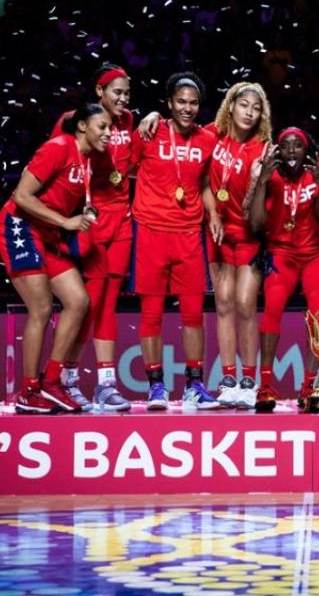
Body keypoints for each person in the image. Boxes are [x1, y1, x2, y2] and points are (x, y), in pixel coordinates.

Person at [0, 103, 111, 414]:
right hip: (18, 227)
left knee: (78, 301)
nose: (108, 134)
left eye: (110, 128)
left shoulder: (88, 160)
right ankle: (29, 391)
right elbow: (22, 196)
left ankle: (52, 381)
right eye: (102, 127)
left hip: (46, 235)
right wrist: (65, 222)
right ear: (82, 126)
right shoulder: (57, 147)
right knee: (42, 307)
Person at [129, 72, 220, 411]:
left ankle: (195, 385)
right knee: (151, 313)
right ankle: (156, 386)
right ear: (169, 103)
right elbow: (128, 169)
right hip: (151, 232)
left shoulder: (207, 140)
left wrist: (214, 215)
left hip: (189, 234)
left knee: (194, 313)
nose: (187, 108)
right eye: (181, 101)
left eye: (193, 103)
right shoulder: (149, 132)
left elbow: (205, 183)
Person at [51, 63, 133, 412]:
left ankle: (106, 385)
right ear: (99, 91)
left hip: (123, 222)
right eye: (117, 92)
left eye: (127, 93)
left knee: (109, 303)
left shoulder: (130, 121)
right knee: (89, 303)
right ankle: (67, 380)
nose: (123, 99)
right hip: (93, 221)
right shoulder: (75, 120)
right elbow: (58, 159)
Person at [248, 127, 319, 412]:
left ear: (306, 150)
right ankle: (265, 385)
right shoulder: (270, 177)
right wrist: (261, 182)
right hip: (281, 254)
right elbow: (256, 225)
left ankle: (310, 385)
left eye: (298, 145)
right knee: (272, 307)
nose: (292, 150)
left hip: (316, 255)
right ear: (278, 152)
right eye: (286, 146)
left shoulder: (314, 176)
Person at [208, 82, 273, 409]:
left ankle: (249, 380)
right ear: (231, 106)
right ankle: (228, 379)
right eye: (244, 105)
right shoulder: (212, 136)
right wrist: (151, 116)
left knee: (246, 304)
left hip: (249, 235)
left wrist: (257, 182)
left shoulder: (262, 150)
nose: (249, 112)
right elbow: (202, 182)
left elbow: (257, 210)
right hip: (218, 232)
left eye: (256, 108)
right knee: (223, 304)